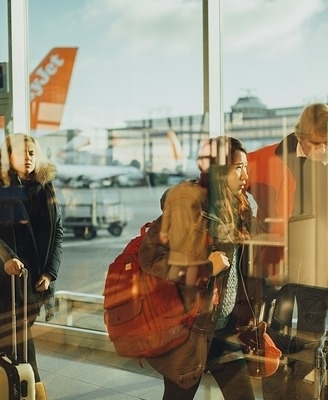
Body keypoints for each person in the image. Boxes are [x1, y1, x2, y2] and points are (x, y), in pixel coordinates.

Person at [138, 136, 256, 399]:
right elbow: (150, 257)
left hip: (224, 328)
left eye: (246, 167)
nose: (246, 174)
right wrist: (205, 268)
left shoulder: (238, 207)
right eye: (239, 167)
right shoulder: (188, 205)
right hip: (190, 331)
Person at [0, 133, 63, 400]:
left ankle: (1, 388)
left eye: (32, 152)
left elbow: (57, 230)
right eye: (22, 152)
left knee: (13, 342)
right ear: (8, 156)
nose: (28, 157)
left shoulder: (45, 186)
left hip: (35, 279)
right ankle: (34, 391)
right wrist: (7, 257)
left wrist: (50, 272)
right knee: (18, 334)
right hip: (6, 278)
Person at [246, 103, 328, 399]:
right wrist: (248, 221)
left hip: (318, 269)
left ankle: (303, 392)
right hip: (277, 265)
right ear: (301, 134)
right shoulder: (267, 158)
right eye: (317, 142)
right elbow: (225, 180)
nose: (322, 148)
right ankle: (275, 394)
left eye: (327, 143)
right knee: (274, 334)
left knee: (310, 336)